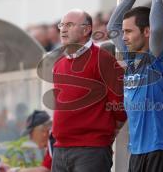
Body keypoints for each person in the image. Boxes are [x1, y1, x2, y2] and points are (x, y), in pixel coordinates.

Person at [107, 0, 163, 172]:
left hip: (162, 151)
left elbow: (158, 29)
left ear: (146, 32)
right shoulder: (130, 59)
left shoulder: (156, 56)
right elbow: (112, 27)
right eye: (124, 32)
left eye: (129, 32)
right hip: (138, 153)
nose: (123, 37)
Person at [51, 9, 126, 172]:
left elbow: (119, 107)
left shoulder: (103, 59)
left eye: (69, 25)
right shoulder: (58, 63)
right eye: (61, 25)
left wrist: (104, 137)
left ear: (86, 30)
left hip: (91, 150)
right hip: (60, 150)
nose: (63, 29)